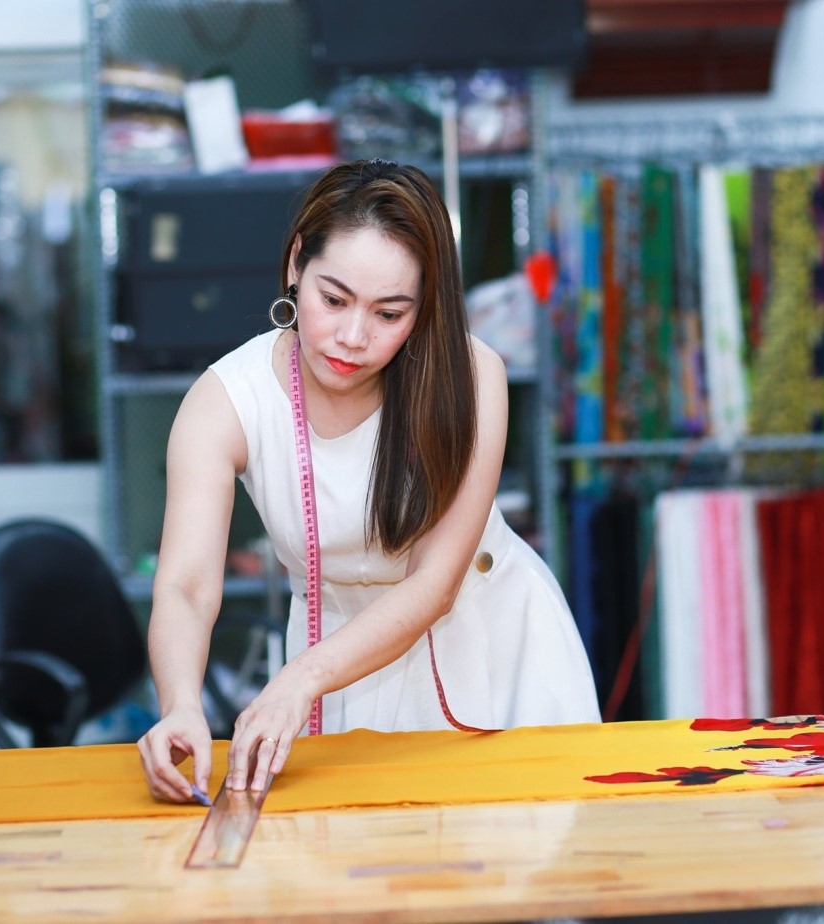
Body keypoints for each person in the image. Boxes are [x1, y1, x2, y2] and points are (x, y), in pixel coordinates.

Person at [137, 159, 600, 803]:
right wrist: (182, 704)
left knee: (516, 853)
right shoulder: (227, 401)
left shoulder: (471, 380)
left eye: (389, 313)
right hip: (332, 667)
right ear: (296, 263)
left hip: (486, 641)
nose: (352, 337)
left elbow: (434, 585)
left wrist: (300, 678)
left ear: (424, 306)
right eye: (333, 300)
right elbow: (186, 587)